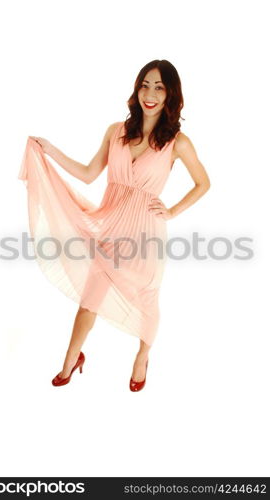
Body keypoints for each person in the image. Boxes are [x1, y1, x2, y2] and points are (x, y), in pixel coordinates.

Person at [20, 59, 210, 391]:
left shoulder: (178, 142)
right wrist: (50, 151)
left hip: (146, 234)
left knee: (147, 297)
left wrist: (173, 210)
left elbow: (203, 183)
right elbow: (89, 173)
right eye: (145, 85)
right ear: (137, 89)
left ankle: (142, 357)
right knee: (89, 300)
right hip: (109, 227)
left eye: (159, 87)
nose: (150, 94)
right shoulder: (116, 131)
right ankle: (70, 360)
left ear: (170, 95)